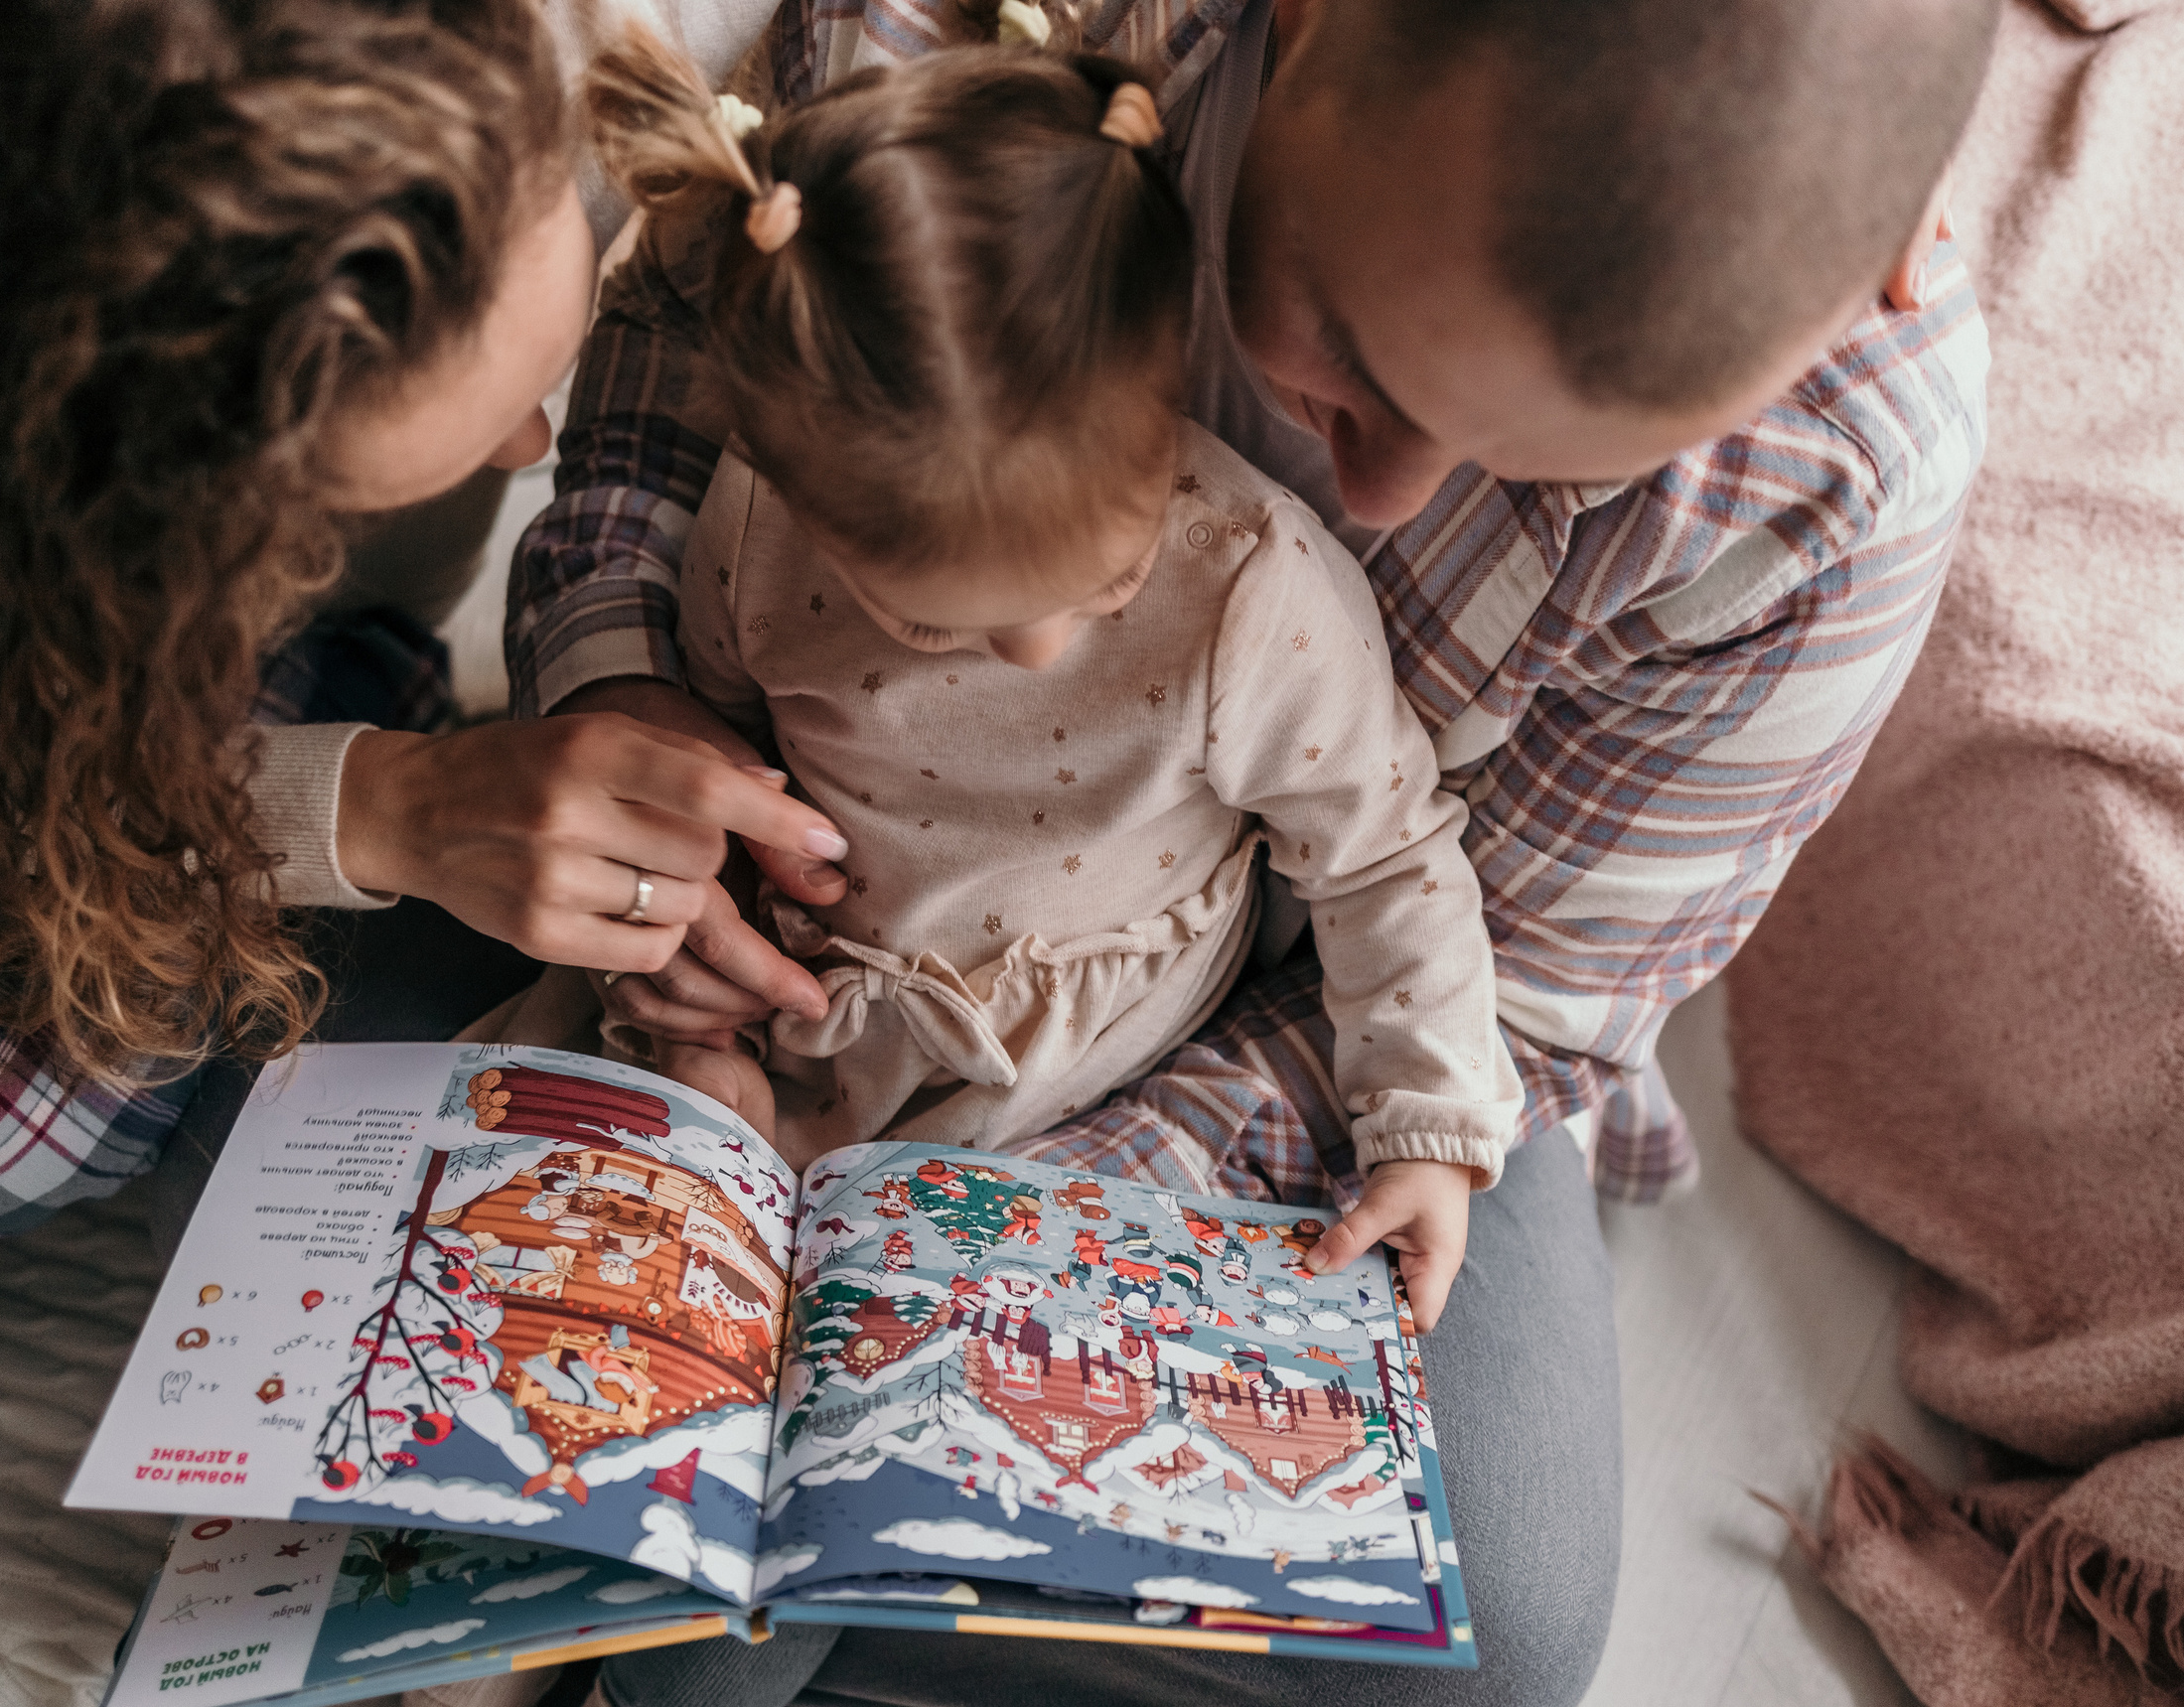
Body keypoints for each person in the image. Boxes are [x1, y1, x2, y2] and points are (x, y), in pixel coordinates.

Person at [501, 0, 2000, 1699]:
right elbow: (702, 353)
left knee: (1489, 1630)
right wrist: (630, 702)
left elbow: (1493, 971)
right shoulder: (973, 46)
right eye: (1350, 349)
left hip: (1338, 1012)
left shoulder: (1834, 475)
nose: (1367, 501)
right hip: (837, 929)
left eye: (1528, 470)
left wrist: (982, 1231)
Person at [0, 0, 853, 1371]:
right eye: (327, 484)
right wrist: (382, 809)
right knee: (62, 1059)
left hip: (177, 639)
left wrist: (603, 669)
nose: (528, 451)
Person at [574, 32, 1520, 1326]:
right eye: (927, 620)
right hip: (816, 994)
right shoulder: (756, 523)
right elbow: (723, 758)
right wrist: (706, 978)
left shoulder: (1246, 593)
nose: (1033, 651)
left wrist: (1422, 1126)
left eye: (1107, 581)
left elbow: (1382, 856)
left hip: (1094, 1056)